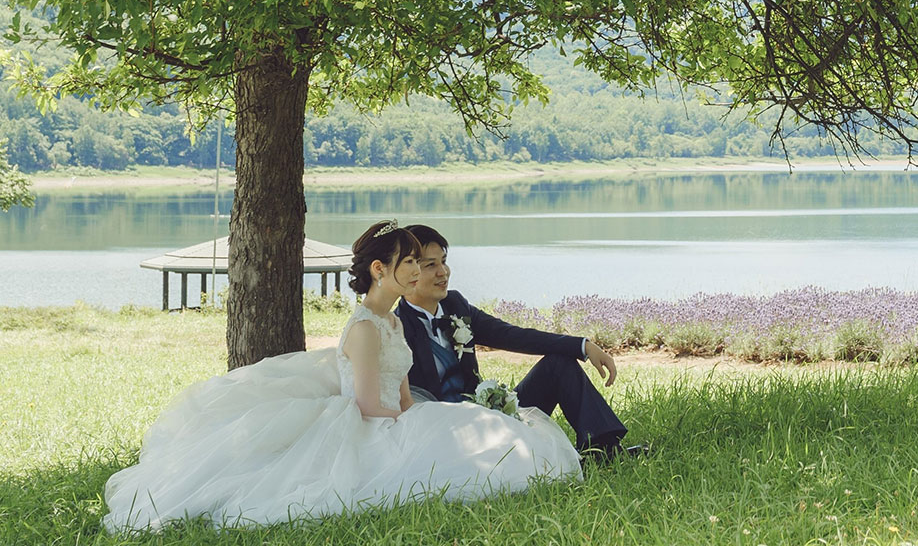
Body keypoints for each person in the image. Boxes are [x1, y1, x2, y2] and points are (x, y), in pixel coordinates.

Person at [101, 221, 580, 533]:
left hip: (399, 413)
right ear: (380, 269)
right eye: (410, 261)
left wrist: (425, 418)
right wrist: (416, 423)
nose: (418, 270)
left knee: (485, 438)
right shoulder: (367, 326)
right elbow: (371, 405)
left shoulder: (392, 321)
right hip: (367, 422)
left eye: (420, 261)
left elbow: (403, 397)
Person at [394, 224, 644, 463]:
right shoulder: (395, 329)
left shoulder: (456, 306)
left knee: (559, 365)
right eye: (431, 265)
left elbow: (514, 335)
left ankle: (605, 449)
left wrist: (582, 346)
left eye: (444, 262)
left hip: (488, 416)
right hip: (447, 436)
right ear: (410, 272)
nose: (443, 272)